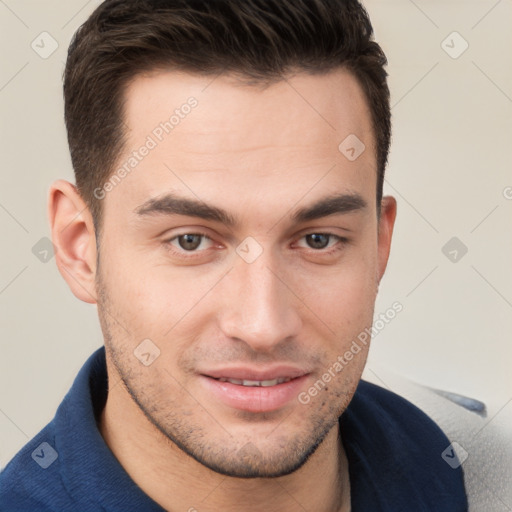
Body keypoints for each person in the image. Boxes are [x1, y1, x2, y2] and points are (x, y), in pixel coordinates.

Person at [0, 0, 468, 510]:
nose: (263, 325)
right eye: (190, 241)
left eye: (318, 239)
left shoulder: (470, 465)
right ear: (79, 248)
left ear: (379, 245)